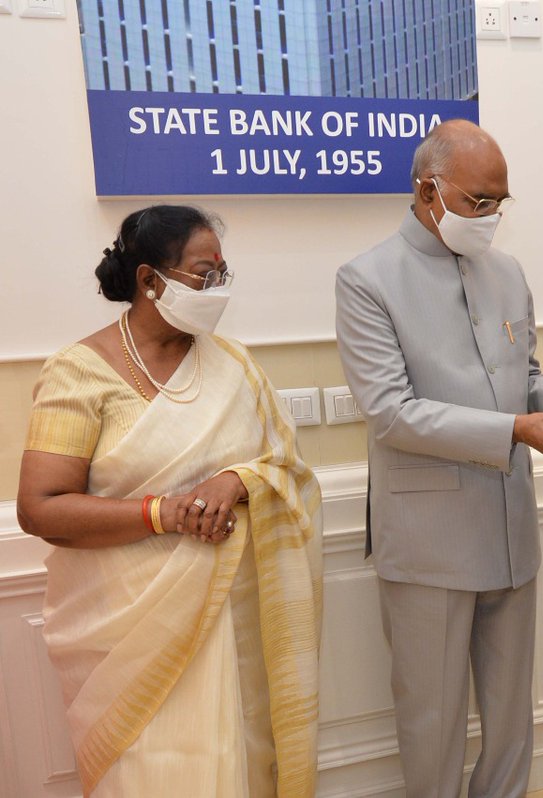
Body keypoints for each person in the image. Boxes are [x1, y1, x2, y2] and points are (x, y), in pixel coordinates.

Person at [334, 119, 543, 798]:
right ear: (429, 191)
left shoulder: (506, 271)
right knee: (433, 722)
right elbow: (392, 412)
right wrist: (516, 426)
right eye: (479, 202)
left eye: (499, 204)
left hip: (510, 526)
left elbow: (522, 374)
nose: (491, 217)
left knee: (513, 720)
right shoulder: (366, 280)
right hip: (428, 544)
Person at [16, 205, 324, 797]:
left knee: (243, 764)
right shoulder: (78, 373)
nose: (216, 290)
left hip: (234, 624)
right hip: (131, 634)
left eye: (222, 275)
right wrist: (162, 512)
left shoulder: (234, 364)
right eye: (202, 275)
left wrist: (234, 482)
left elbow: (286, 465)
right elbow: (41, 507)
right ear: (150, 281)